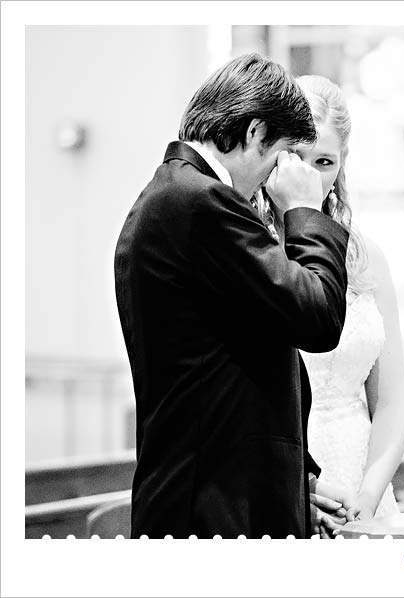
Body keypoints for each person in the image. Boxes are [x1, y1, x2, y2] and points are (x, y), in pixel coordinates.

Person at [113, 54, 349, 539]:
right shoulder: (201, 202)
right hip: (213, 511)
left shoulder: (175, 195)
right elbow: (318, 317)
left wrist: (296, 481)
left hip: (214, 497)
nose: (275, 176)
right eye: (280, 154)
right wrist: (304, 210)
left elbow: (241, 359)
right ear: (256, 132)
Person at [255, 75, 404, 538]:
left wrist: (368, 496)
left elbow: (391, 404)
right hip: (284, 482)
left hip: (364, 483)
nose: (309, 176)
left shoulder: (366, 258)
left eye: (324, 161)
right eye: (295, 157)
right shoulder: (251, 252)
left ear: (342, 165)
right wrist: (300, 489)